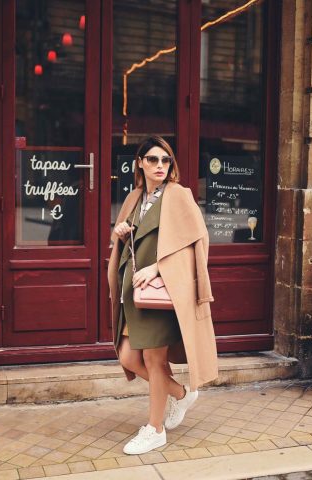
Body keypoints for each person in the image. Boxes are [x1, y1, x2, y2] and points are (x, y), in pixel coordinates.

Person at [107, 135, 218, 455]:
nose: (160, 165)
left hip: (161, 291)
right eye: (153, 159)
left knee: (154, 361)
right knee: (128, 357)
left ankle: (155, 430)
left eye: (165, 160)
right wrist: (120, 233)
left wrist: (157, 268)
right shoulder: (135, 197)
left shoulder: (178, 195)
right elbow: (133, 241)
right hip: (134, 292)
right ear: (140, 163)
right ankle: (181, 394)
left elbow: (196, 243)